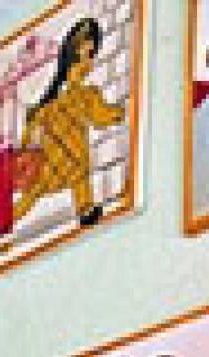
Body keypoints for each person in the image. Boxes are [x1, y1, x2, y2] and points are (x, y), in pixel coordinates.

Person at [13, 17, 125, 232]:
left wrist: (28, 148)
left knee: (33, 194)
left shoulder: (49, 101)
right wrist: (119, 112)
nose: (91, 62)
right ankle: (84, 210)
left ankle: (6, 224)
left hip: (50, 161)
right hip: (67, 158)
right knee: (77, 177)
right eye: (90, 54)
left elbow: (30, 131)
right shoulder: (83, 95)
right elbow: (101, 117)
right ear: (78, 55)